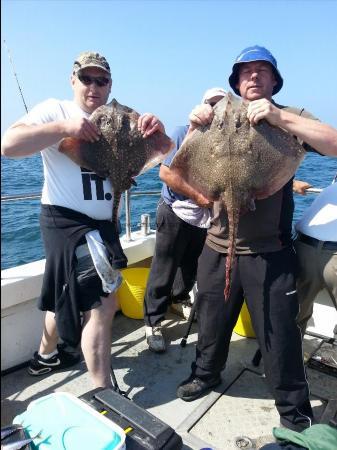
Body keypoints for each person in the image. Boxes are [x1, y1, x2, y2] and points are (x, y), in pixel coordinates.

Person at [175, 45, 337, 433]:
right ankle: (205, 373)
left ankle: (293, 408)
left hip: (270, 253)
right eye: (246, 71)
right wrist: (196, 125)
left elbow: (333, 143)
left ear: (275, 80)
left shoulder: (290, 116)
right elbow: (177, 169)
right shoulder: (214, 115)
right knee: (211, 320)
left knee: (279, 333)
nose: (253, 76)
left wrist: (280, 117)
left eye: (262, 70)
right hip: (216, 245)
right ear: (235, 80)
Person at [1, 51, 165, 389]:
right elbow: (9, 145)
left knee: (68, 295)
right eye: (86, 78)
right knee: (104, 305)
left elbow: (164, 149)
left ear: (109, 85)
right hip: (67, 222)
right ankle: (104, 392)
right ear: (72, 80)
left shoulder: (123, 115)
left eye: (101, 80)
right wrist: (64, 127)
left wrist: (155, 128)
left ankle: (44, 357)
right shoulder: (55, 109)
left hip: (105, 225)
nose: (94, 86)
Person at [143, 87, 226, 353]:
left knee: (192, 267)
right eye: (210, 104)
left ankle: (179, 300)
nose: (215, 109)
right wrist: (198, 197)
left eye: (221, 104)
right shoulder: (182, 133)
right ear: (202, 105)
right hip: (176, 210)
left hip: (205, 218)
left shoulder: (226, 142)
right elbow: (166, 175)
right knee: (163, 268)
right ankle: (152, 321)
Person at [294, 176, 337, 336]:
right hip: (324, 254)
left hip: (304, 248)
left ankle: (289, 360)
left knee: (294, 318)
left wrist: (292, 183)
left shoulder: (330, 190)